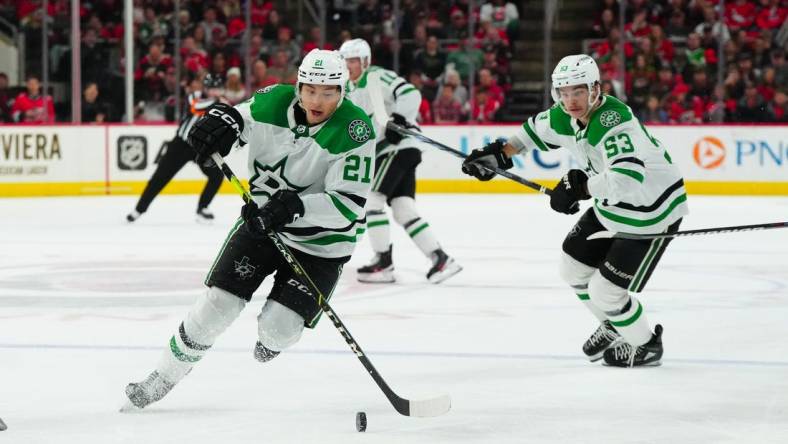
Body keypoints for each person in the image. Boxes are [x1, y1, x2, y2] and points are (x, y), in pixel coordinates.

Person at [123, 49, 376, 409]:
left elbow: (347, 206)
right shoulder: (272, 100)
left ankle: (273, 340)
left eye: (328, 92)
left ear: (342, 92)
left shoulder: (356, 130)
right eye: (310, 90)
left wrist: (294, 206)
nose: (317, 100)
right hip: (262, 225)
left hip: (322, 245)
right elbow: (236, 122)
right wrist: (220, 128)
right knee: (216, 306)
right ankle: (161, 377)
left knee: (278, 328)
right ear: (299, 85)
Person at [461, 55, 688, 367]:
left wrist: (581, 188)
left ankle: (646, 345)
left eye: (578, 91)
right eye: (564, 92)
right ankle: (614, 325)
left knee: (606, 291)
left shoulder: (613, 122)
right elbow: (532, 133)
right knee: (572, 268)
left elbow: (628, 178)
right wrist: (500, 154)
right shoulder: (563, 115)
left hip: (652, 210)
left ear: (595, 89)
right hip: (613, 204)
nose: (570, 100)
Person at [339, 38, 462, 284]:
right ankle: (441, 259)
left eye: (353, 60)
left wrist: (401, 119)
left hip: (396, 148)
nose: (349, 65)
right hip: (393, 151)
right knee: (403, 209)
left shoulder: (375, 77)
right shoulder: (349, 90)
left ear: (364, 61)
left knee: (371, 201)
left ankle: (383, 263)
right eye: (346, 60)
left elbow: (409, 93)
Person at [125, 74, 226, 223]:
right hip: (181, 145)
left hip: (200, 148)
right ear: (205, 88)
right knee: (160, 177)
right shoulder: (195, 96)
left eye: (218, 89)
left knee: (217, 176)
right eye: (212, 88)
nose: (215, 91)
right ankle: (138, 210)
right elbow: (195, 107)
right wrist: (217, 102)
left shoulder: (221, 105)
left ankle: (203, 208)